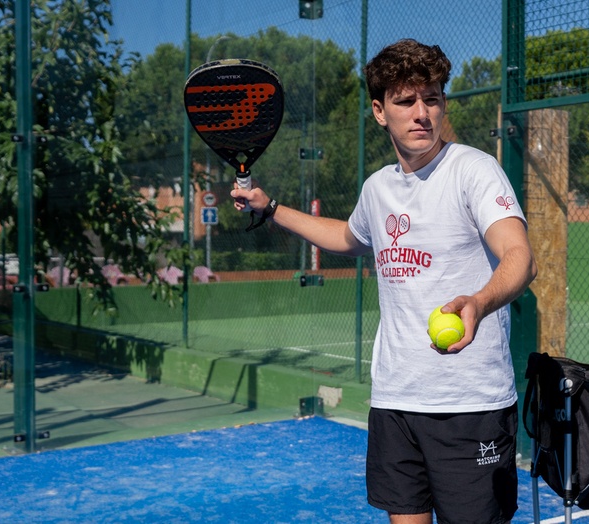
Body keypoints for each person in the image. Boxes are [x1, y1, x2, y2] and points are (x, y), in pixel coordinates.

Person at [230, 38, 537, 524]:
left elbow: (519, 255)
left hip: (469, 405)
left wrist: (479, 302)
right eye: (406, 101)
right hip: (395, 401)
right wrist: (270, 210)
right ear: (379, 110)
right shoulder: (378, 188)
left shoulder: (474, 171)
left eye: (432, 99)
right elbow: (349, 238)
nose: (422, 113)